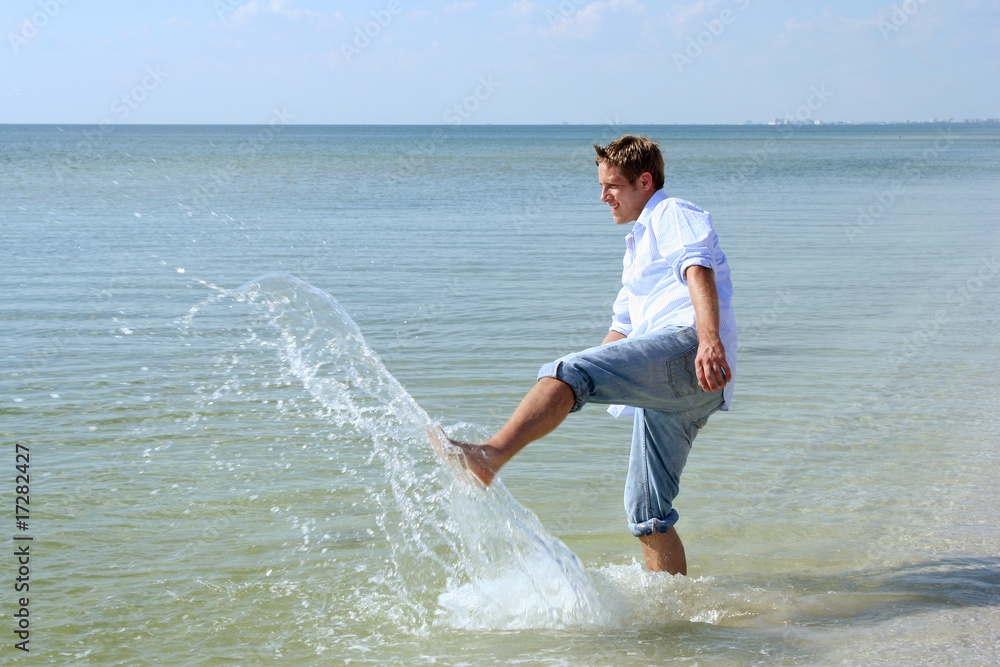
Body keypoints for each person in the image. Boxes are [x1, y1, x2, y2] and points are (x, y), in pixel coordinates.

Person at [449, 135, 737, 575]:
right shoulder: (637, 249)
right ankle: (675, 619)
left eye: (613, 187)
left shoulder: (671, 212)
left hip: (687, 351)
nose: (604, 197)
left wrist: (708, 338)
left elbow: (697, 266)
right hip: (684, 387)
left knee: (566, 370)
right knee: (648, 513)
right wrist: (579, 392)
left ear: (644, 181)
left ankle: (489, 458)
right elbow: (620, 331)